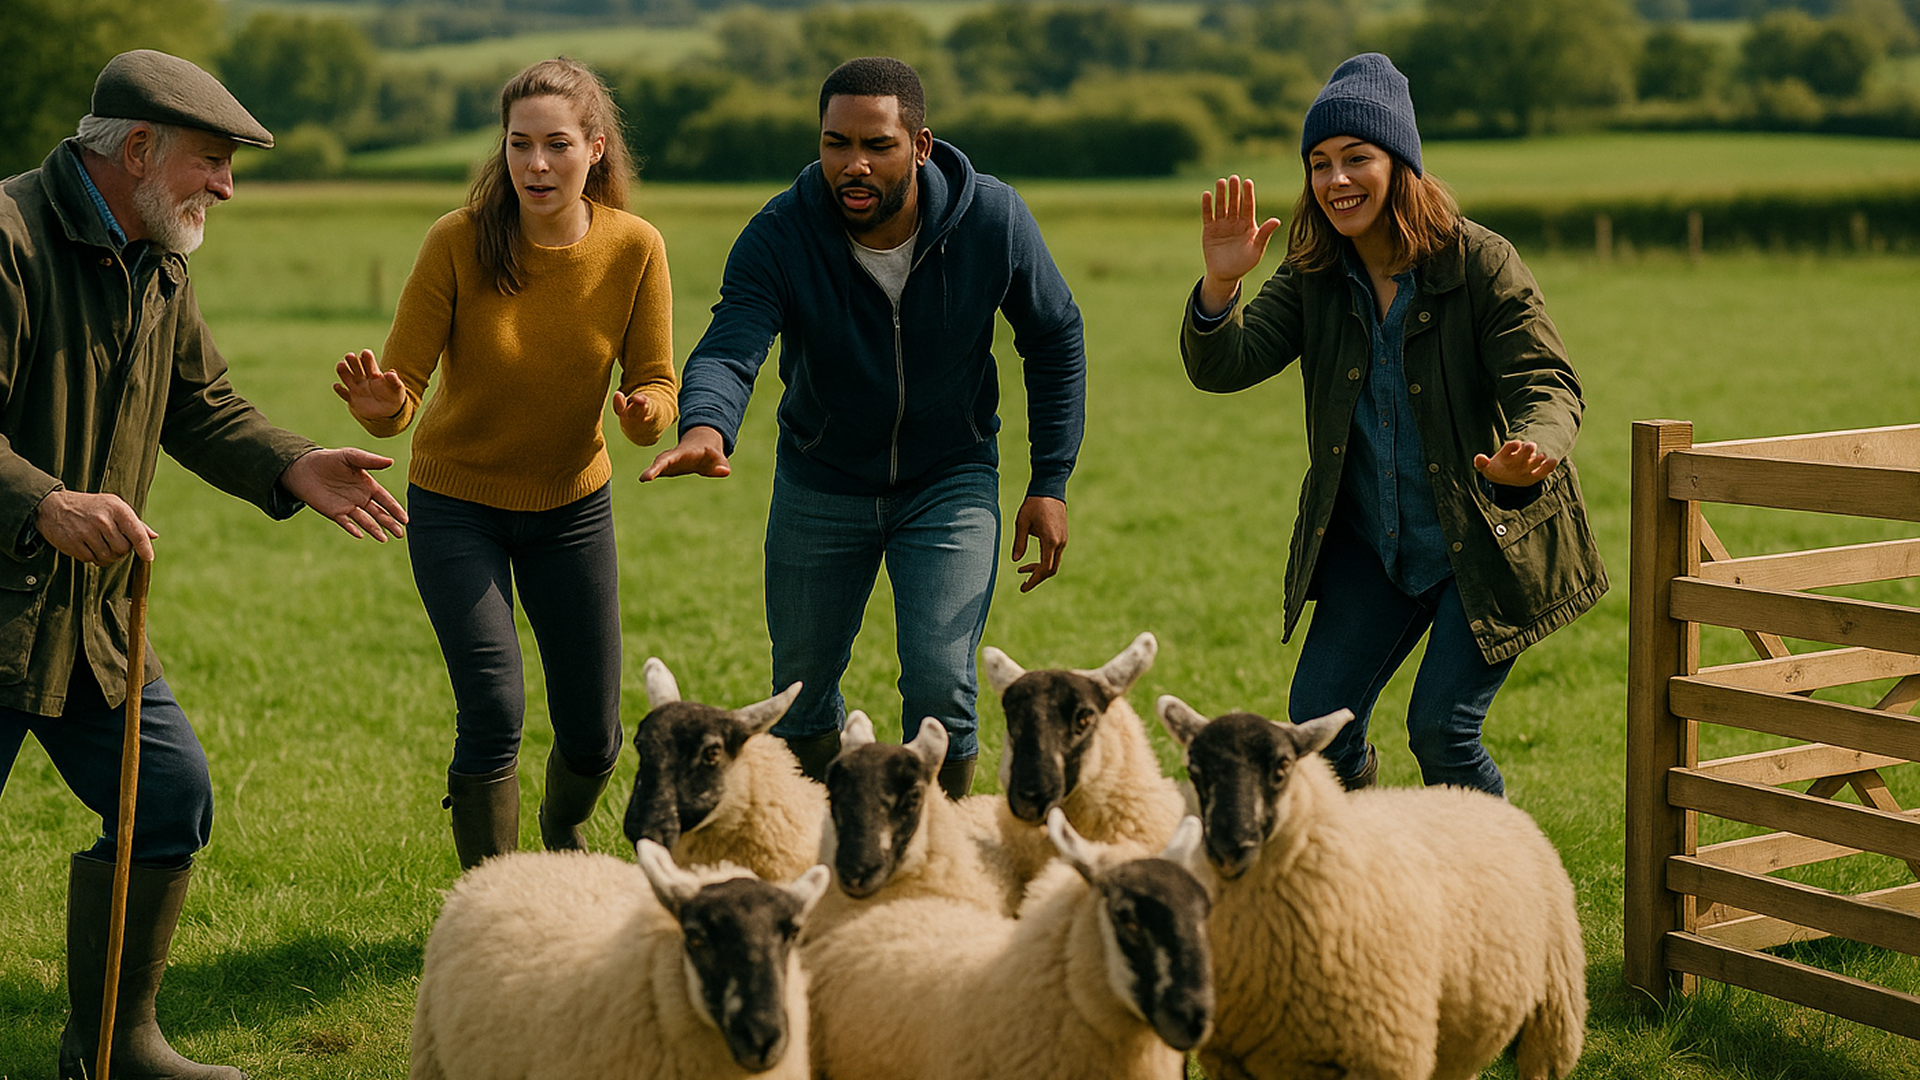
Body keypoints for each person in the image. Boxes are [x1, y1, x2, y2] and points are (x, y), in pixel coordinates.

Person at [0, 50, 408, 1080]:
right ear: (138, 148)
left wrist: (294, 463)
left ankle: (116, 1044)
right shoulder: (7, 240)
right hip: (1, 603)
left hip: (91, 615)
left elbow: (199, 403)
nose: (226, 187)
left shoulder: (158, 261)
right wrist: (43, 501)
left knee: (168, 800)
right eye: (212, 161)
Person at [641, 56, 1085, 797]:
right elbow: (732, 342)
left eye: (877, 145)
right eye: (836, 143)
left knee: (942, 683)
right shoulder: (781, 233)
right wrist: (706, 427)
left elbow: (1054, 336)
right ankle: (820, 832)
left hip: (950, 477)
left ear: (921, 146)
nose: (854, 164)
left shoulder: (991, 219)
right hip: (821, 481)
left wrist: (1051, 480)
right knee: (801, 691)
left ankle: (937, 848)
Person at [1181, 53, 1607, 796]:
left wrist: (1533, 447)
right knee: (1319, 729)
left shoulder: (1480, 263)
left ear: (1400, 164)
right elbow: (1227, 364)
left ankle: (1498, 868)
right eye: (1319, 163)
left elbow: (1546, 381)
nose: (1336, 179)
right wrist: (1221, 285)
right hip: (1373, 546)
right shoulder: (1313, 272)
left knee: (1442, 729)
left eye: (1357, 158)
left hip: (1482, 539)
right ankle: (1376, 850)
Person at [333, 58, 677, 870]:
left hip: (571, 507)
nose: (536, 164)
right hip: (458, 505)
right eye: (520, 144)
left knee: (593, 734)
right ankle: (493, 898)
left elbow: (656, 383)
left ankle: (562, 828)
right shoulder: (457, 241)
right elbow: (402, 393)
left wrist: (646, 414)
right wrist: (380, 406)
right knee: (492, 709)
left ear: (594, 149)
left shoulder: (635, 248)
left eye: (557, 145)